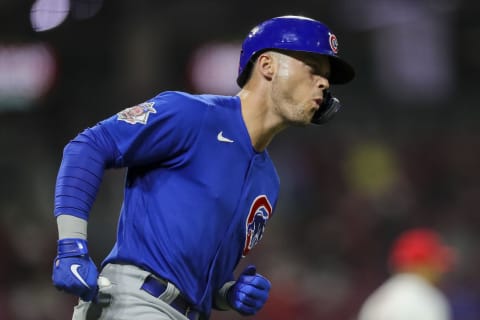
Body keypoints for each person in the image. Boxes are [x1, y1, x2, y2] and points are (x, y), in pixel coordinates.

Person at [51, 15, 355, 320]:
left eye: (326, 77)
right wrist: (71, 246)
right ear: (267, 66)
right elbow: (88, 146)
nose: (324, 83)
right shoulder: (193, 115)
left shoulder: (269, 182)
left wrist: (228, 294)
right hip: (134, 302)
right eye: (313, 69)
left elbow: (200, 280)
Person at [357, 228, 456, 320]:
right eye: (434, 261)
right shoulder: (428, 299)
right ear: (421, 263)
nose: (439, 270)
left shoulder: (377, 299)